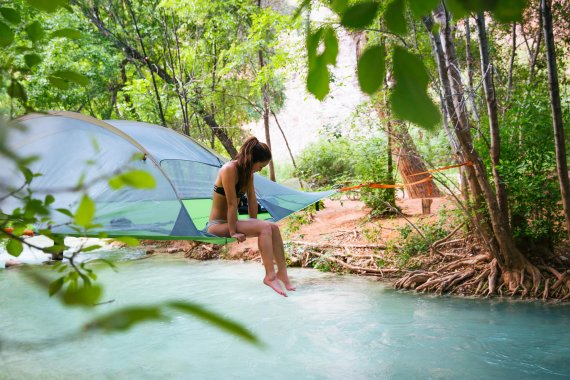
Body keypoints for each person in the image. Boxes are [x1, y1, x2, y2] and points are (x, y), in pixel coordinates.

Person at [205, 137, 295, 297]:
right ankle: (270, 276)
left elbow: (252, 200)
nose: (260, 170)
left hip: (233, 222)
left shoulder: (248, 174)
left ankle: (282, 273)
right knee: (265, 227)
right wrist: (233, 232)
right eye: (261, 166)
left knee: (272, 226)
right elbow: (232, 203)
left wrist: (255, 221)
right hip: (217, 225)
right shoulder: (228, 169)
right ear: (252, 159)